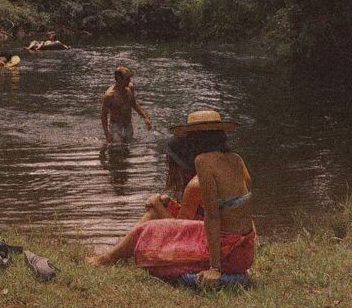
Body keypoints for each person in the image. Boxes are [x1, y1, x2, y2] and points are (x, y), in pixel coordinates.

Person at [89, 110, 255, 285]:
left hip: (228, 253)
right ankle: (109, 257)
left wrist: (215, 268)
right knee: (153, 220)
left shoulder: (203, 161)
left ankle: (107, 258)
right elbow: (244, 203)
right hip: (244, 251)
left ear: (195, 139)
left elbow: (212, 217)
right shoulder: (236, 159)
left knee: (146, 229)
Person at [101, 66, 152, 142]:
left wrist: (146, 118)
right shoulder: (109, 95)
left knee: (128, 144)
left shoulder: (129, 88)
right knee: (117, 147)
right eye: (127, 78)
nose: (130, 80)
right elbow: (103, 115)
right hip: (115, 125)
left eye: (129, 78)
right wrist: (107, 134)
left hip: (128, 124)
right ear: (119, 79)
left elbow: (134, 104)